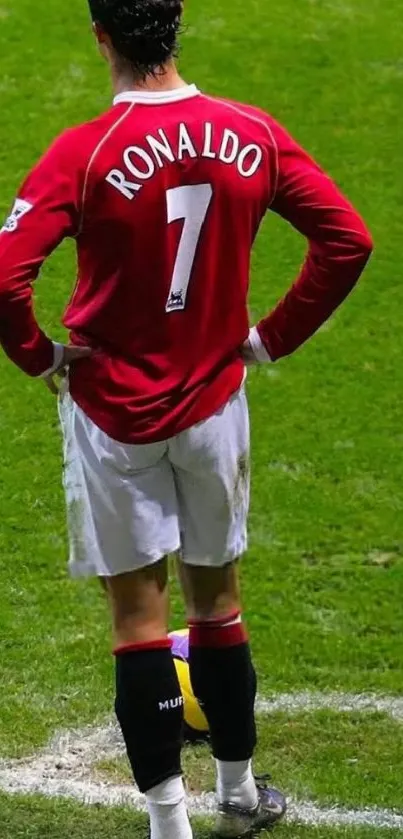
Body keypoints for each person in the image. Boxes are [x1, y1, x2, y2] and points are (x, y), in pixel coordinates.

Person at [0, 1, 373, 837]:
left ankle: (168, 826)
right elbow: (347, 239)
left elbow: (3, 278)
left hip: (111, 413)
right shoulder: (251, 131)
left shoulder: (83, 152)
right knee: (217, 602)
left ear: (102, 37)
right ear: (176, 29)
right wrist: (268, 339)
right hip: (212, 404)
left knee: (137, 621)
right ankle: (237, 796)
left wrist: (40, 356)